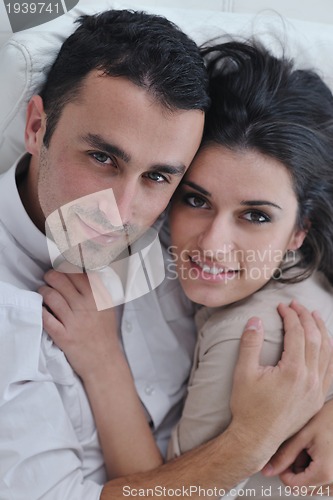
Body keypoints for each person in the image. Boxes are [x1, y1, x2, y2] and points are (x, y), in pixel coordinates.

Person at [0, 8, 332, 499]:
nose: (122, 211)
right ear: (35, 126)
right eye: (102, 158)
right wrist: (251, 440)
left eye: (159, 177)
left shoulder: (181, 223)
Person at [165, 40, 333, 498]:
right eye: (196, 200)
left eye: (256, 215)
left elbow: (160, 493)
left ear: (301, 229)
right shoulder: (303, 267)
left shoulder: (252, 334)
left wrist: (103, 364)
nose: (213, 245)